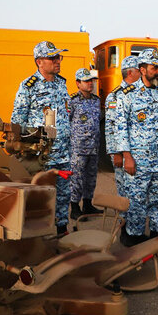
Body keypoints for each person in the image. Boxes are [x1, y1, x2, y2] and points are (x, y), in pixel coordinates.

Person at [113, 49, 158, 246]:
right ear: (142, 69)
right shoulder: (127, 95)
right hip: (138, 159)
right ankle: (134, 239)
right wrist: (127, 156)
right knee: (136, 200)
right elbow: (121, 128)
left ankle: (157, 239)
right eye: (155, 68)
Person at [11, 41, 71, 233]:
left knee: (63, 195)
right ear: (39, 62)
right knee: (42, 196)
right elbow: (17, 121)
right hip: (42, 155)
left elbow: (60, 115)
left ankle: (61, 230)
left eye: (58, 57)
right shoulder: (29, 86)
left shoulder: (62, 83)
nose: (57, 61)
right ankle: (41, 234)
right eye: (52, 58)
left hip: (63, 153)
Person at [105, 55, 142, 199]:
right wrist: (116, 153)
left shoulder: (140, 92)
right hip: (122, 153)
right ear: (130, 73)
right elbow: (111, 126)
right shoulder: (115, 95)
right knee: (124, 190)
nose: (141, 73)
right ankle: (123, 219)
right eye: (139, 70)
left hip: (138, 150)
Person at [69, 67, 101, 220]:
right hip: (78, 148)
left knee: (91, 178)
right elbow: (66, 123)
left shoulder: (96, 101)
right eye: (86, 81)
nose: (90, 84)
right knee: (77, 178)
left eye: (91, 81)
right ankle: (74, 207)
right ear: (78, 83)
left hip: (94, 148)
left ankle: (87, 205)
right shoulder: (72, 101)